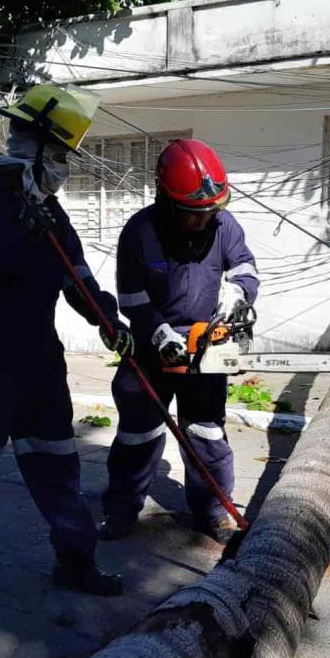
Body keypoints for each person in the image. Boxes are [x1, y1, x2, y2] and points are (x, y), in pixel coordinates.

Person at [0, 83, 135, 606]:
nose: (64, 166)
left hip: (38, 358)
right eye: (59, 154)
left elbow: (77, 279)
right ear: (33, 146)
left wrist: (109, 320)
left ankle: (75, 561)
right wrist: (20, 236)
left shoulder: (53, 215)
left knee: (58, 465)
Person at [98, 139, 259, 545]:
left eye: (209, 212)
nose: (202, 221)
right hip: (153, 349)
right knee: (139, 433)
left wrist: (239, 292)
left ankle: (212, 511)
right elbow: (131, 297)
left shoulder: (225, 226)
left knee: (206, 432)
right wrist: (157, 331)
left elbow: (244, 266)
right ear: (166, 200)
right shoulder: (139, 231)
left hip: (206, 348)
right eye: (193, 214)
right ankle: (120, 510)